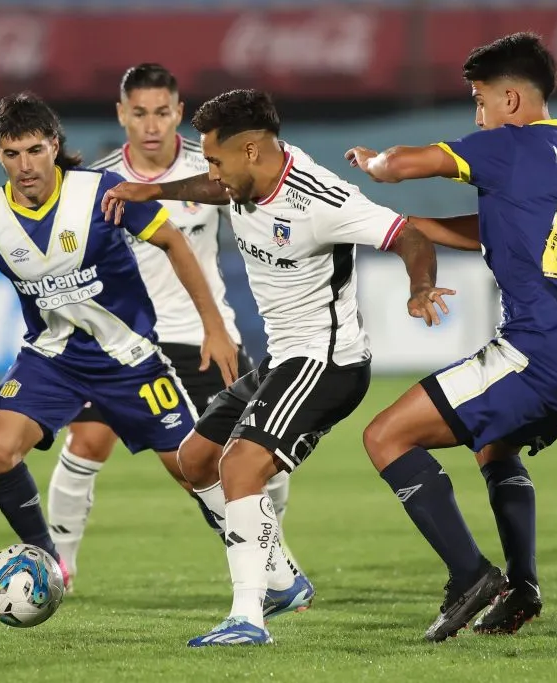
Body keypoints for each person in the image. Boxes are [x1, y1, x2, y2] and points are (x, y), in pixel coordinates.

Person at [101, 88, 447, 646]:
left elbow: (406, 234)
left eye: (215, 158)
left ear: (253, 151)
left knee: (240, 467)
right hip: (281, 358)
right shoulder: (242, 179)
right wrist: (156, 189)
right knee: (196, 460)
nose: (209, 170)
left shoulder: (321, 198)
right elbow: (214, 186)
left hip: (326, 360)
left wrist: (421, 288)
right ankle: (282, 581)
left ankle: (248, 616)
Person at [346, 32, 557, 640]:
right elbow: (492, 227)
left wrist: (376, 164)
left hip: (532, 355)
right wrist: (415, 229)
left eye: (479, 101)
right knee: (495, 448)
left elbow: (413, 163)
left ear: (510, 101)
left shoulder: (510, 143)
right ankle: (522, 587)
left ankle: (471, 576)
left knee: (385, 436)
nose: (476, 115)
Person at [0, 92, 239, 589]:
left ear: (54, 144)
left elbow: (173, 241)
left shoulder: (101, 193)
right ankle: (49, 563)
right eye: (12, 154)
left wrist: (213, 327)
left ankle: (274, 572)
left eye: (34, 150)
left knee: (195, 470)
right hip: (52, 359)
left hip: (129, 358)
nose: (25, 165)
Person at [45, 63, 295, 591]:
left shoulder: (213, 166)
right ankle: (59, 565)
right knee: (88, 441)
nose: (152, 124)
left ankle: (274, 559)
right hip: (125, 341)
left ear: (179, 113)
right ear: (122, 115)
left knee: (260, 454)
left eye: (162, 112)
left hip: (204, 338)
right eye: (140, 113)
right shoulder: (101, 181)